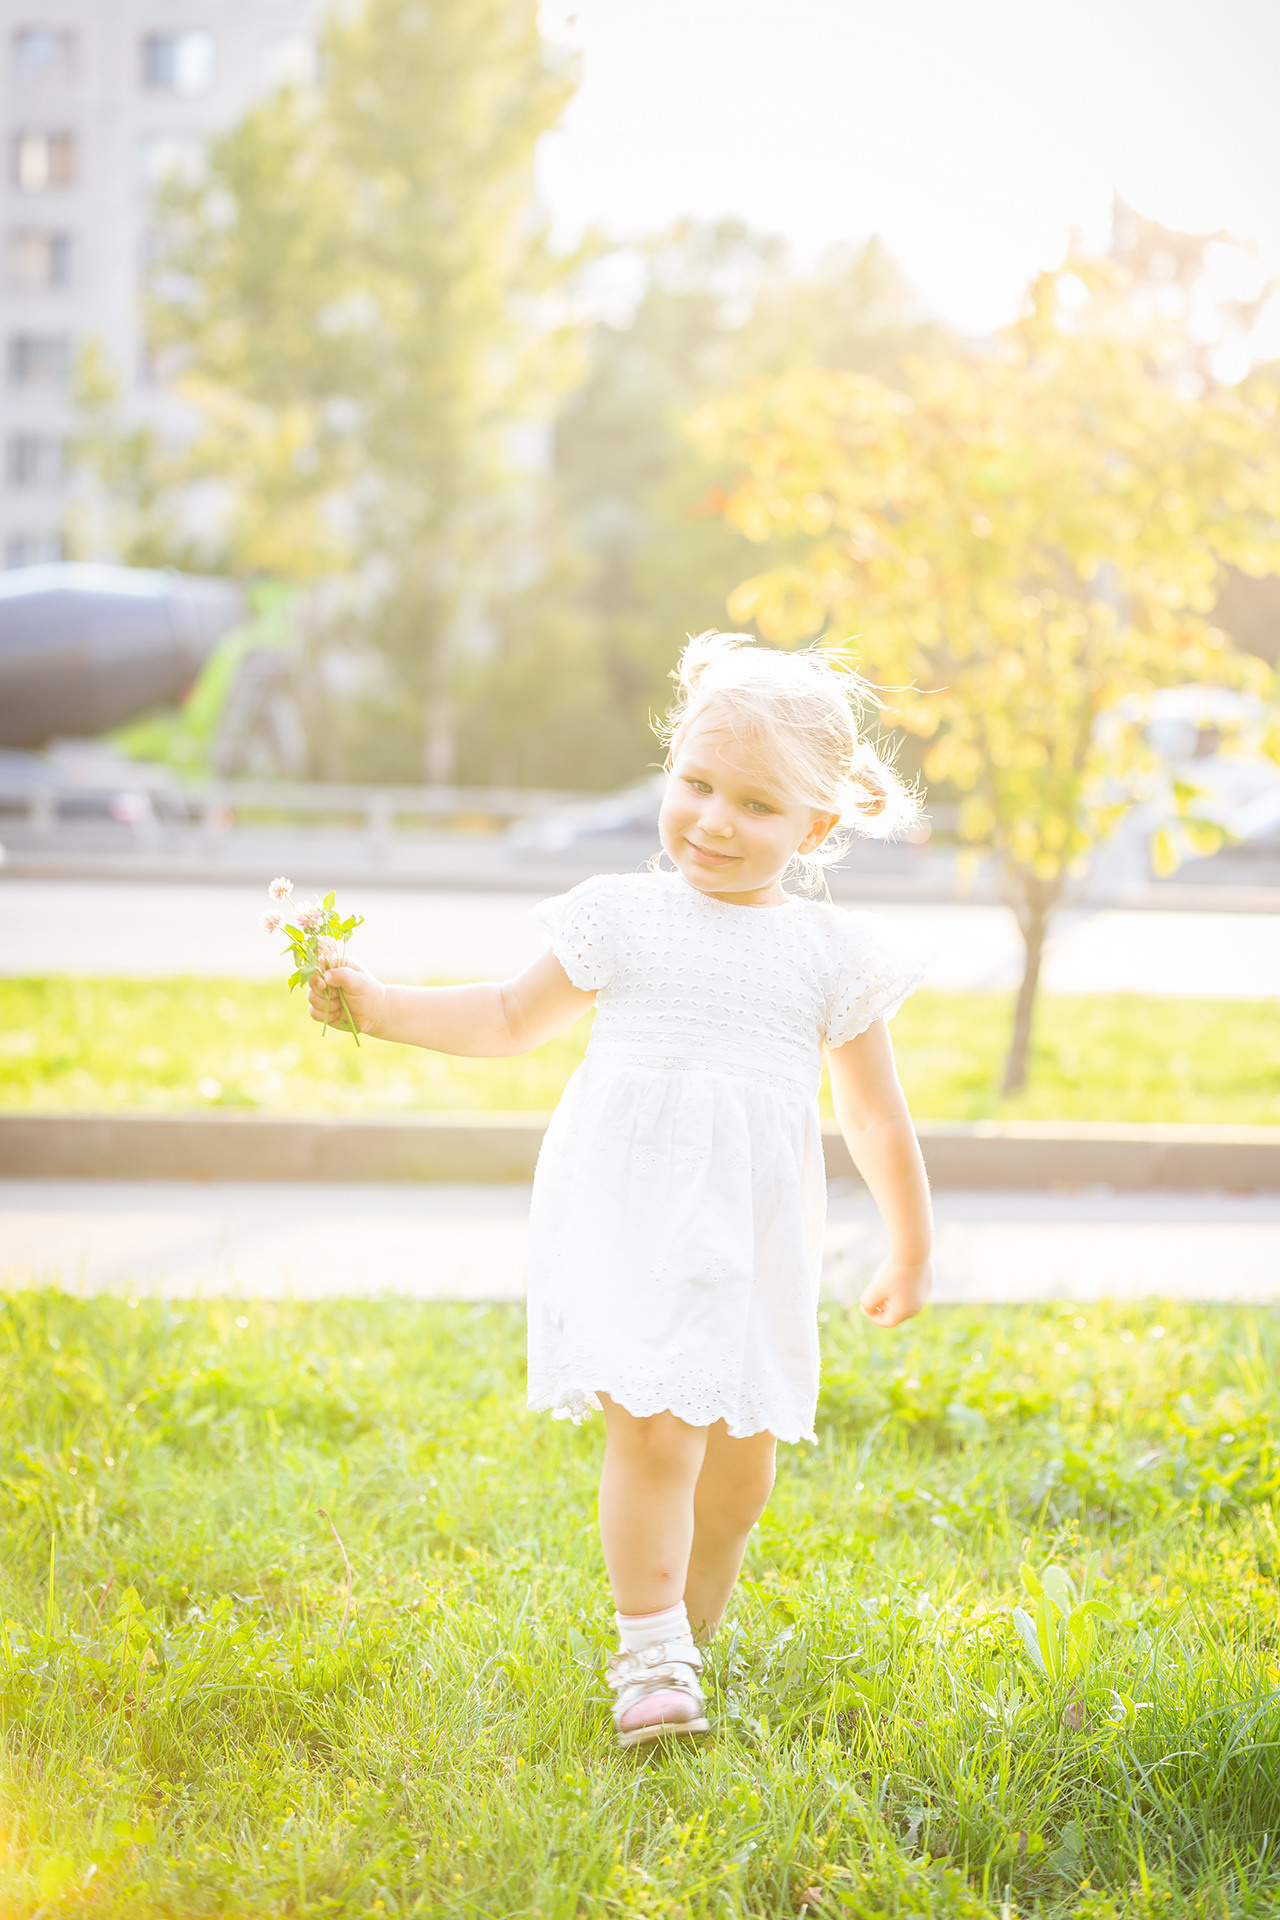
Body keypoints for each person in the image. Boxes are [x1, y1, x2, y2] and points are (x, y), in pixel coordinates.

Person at [308, 633, 934, 1748]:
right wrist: (376, 1002)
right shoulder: (622, 915)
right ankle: (647, 1654)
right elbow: (505, 1018)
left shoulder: (829, 953)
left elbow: (875, 1112)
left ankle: (685, 1637)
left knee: (740, 1468)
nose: (713, 821)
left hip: (752, 1238)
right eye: (694, 785)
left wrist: (909, 1243)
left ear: (816, 830)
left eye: (755, 804)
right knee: (655, 1432)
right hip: (633, 1213)